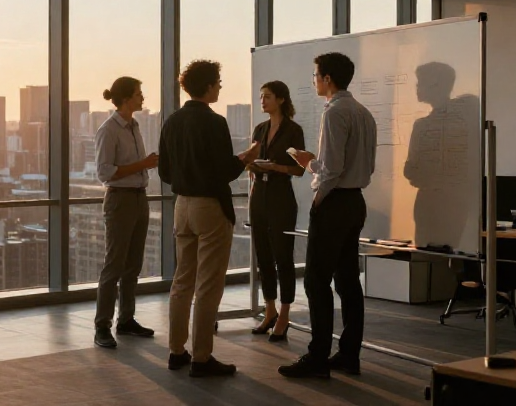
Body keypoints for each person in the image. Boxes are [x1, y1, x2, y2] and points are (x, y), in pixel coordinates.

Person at [279, 52, 376, 379]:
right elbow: (361, 165)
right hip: (355, 202)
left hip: (334, 202)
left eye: (315, 75)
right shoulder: (363, 112)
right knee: (348, 280)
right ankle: (349, 354)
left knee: (316, 281)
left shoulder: (335, 113)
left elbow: (331, 168)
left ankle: (317, 357)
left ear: (328, 79)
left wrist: (310, 166)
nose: (314, 80)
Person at [160, 60, 259, 377]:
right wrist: (245, 158)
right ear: (207, 86)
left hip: (182, 206)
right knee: (208, 285)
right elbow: (224, 171)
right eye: (217, 82)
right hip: (210, 208)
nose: (219, 87)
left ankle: (177, 351)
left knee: (182, 282)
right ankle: (201, 358)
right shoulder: (215, 123)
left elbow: (164, 171)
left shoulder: (172, 122)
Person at [93, 76, 158, 349]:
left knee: (133, 265)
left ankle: (126, 320)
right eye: (139, 93)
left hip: (139, 198)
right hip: (120, 200)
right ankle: (102, 327)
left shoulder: (134, 126)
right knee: (115, 264)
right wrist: (143, 164)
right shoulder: (109, 130)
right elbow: (104, 172)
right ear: (127, 97)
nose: (142, 98)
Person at [248, 80, 305, 342]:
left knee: (283, 256)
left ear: (281, 99)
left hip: (282, 195)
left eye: (267, 96)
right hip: (259, 194)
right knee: (263, 255)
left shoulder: (293, 130)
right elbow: (250, 161)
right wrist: (256, 166)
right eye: (261, 97)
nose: (263, 101)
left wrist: (276, 168)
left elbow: (300, 169)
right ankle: (268, 309)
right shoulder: (259, 129)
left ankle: (284, 313)